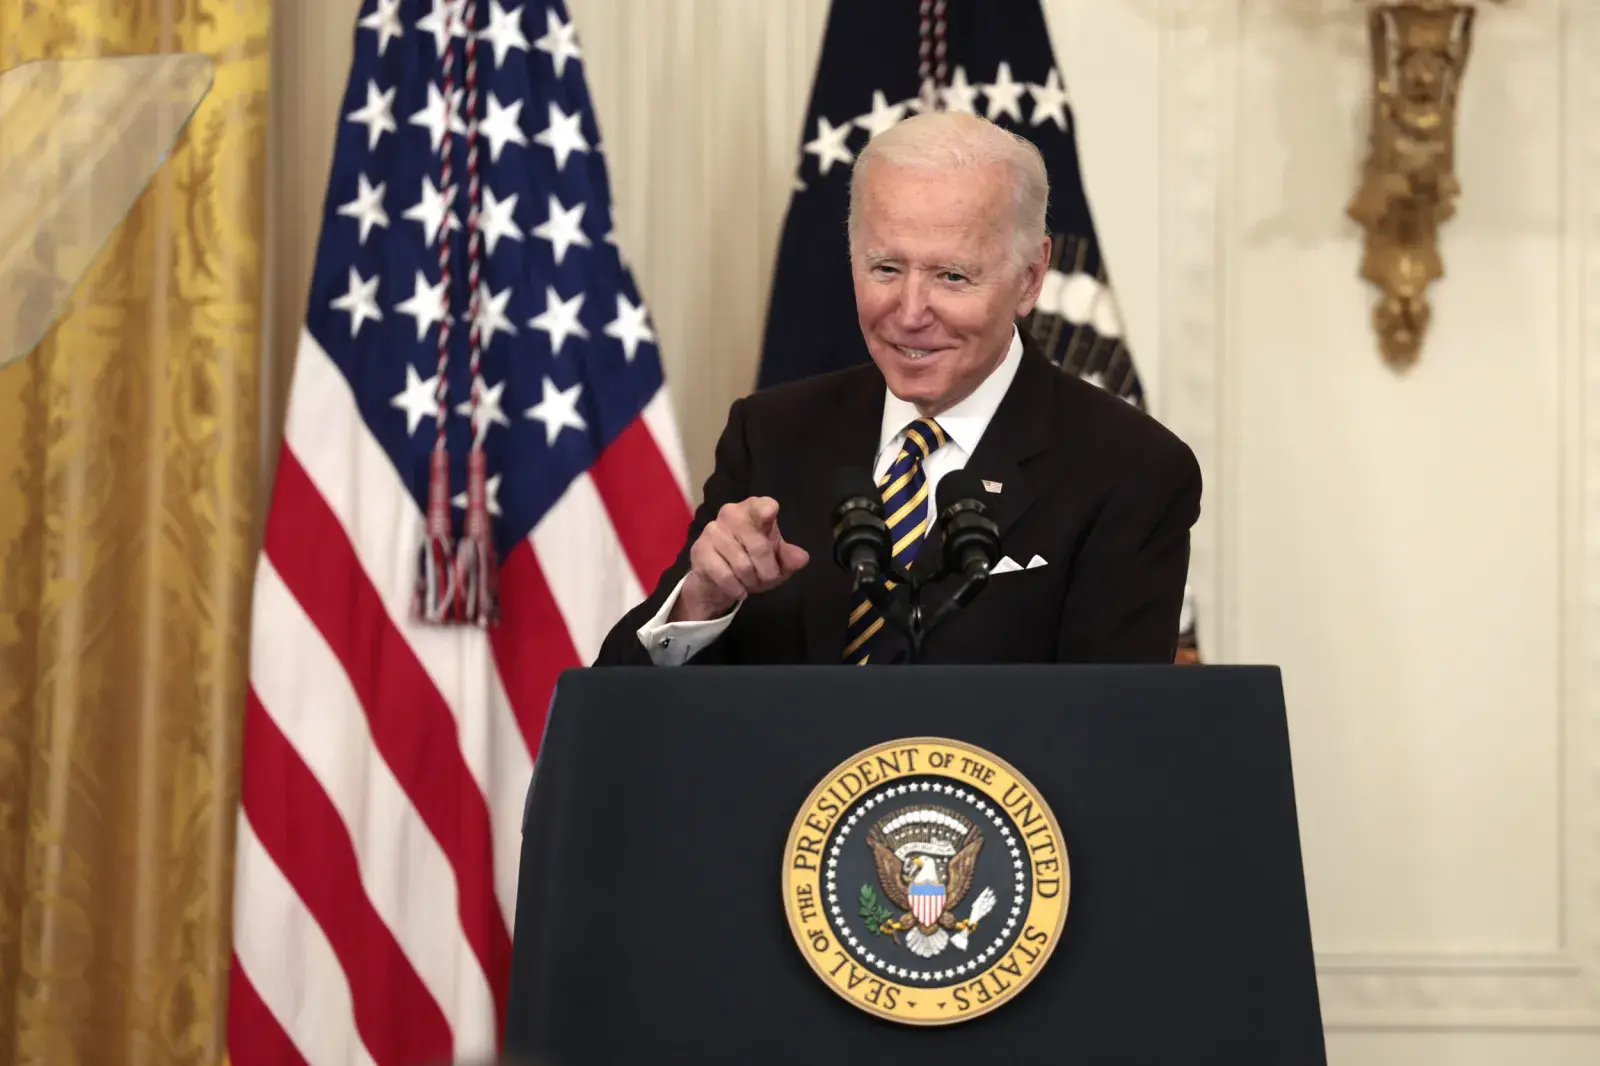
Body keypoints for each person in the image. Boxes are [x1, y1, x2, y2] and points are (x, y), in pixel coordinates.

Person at [593, 111, 1201, 667]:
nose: (909, 313)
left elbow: (1112, 738)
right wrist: (703, 601)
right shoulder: (773, 434)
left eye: (952, 276)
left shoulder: (1130, 470)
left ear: (1030, 277)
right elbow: (622, 710)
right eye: (886, 268)